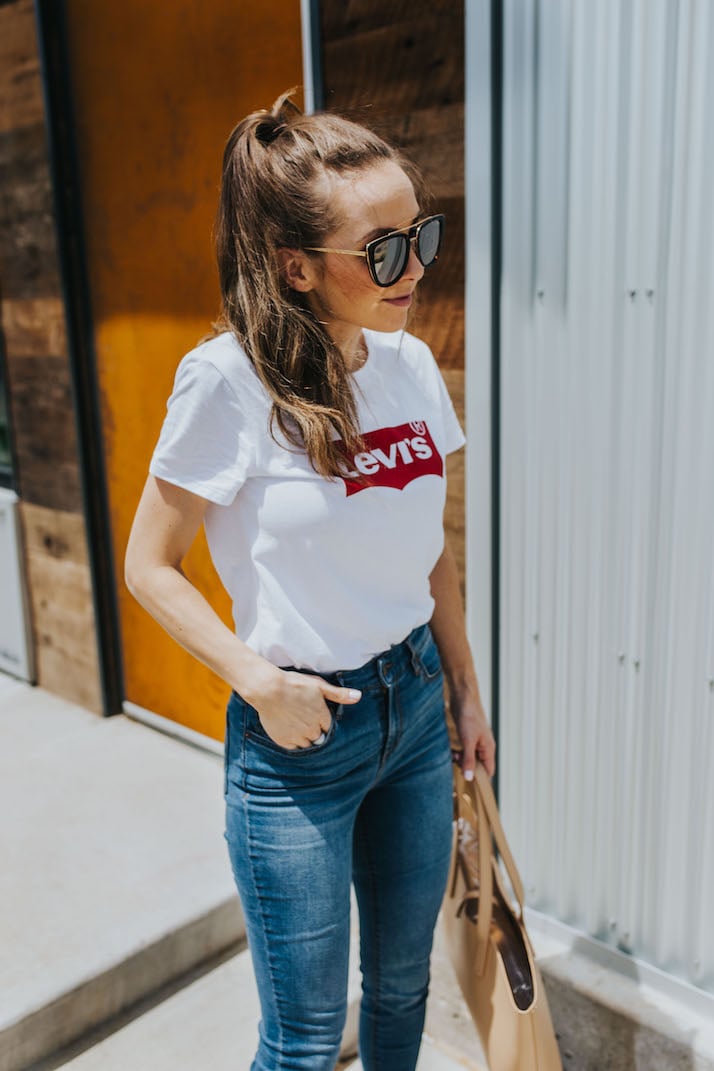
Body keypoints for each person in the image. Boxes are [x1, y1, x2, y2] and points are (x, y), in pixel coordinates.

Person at [125, 90, 496, 1071]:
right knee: (298, 1041)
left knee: (405, 988)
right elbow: (147, 566)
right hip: (300, 744)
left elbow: (430, 549)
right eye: (381, 250)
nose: (413, 266)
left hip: (414, 712)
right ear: (295, 266)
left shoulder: (411, 364)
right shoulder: (227, 383)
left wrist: (463, 689)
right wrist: (259, 682)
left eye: (422, 234)